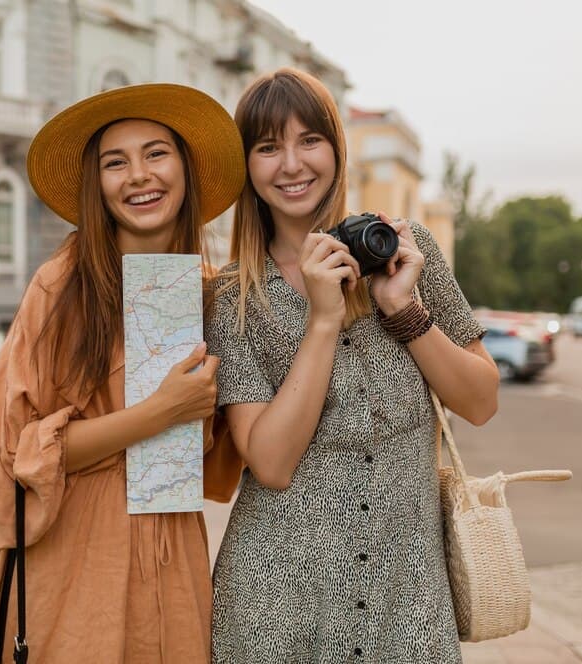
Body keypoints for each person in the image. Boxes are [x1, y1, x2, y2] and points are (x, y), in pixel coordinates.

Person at [205, 67, 500, 663]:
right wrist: (321, 322)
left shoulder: (408, 249)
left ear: (337, 150)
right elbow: (270, 462)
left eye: (309, 140)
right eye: (268, 148)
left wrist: (404, 310)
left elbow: (481, 402)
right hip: (277, 603)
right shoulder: (235, 297)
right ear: (247, 168)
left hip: (408, 593)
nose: (291, 164)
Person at [0, 83, 245, 664]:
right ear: (97, 185)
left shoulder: (210, 295)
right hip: (76, 554)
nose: (138, 175)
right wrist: (160, 411)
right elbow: (21, 456)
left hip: (171, 547)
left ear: (185, 167)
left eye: (156, 153)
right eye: (115, 162)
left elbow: (214, 456)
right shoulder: (61, 287)